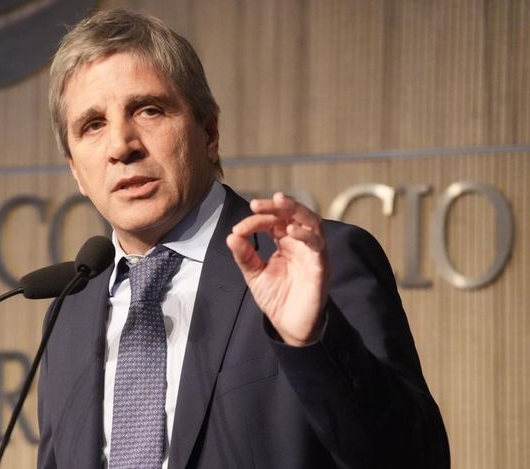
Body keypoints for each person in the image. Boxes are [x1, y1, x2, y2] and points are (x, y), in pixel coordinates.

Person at [37, 8, 449, 469]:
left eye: (148, 109)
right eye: (92, 125)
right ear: (75, 170)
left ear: (209, 132)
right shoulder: (69, 312)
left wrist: (314, 342)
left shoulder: (314, 265)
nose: (121, 146)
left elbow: (415, 459)